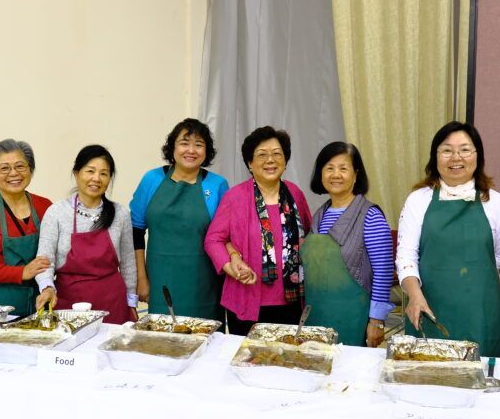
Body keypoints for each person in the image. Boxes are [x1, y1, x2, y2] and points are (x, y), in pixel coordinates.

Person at [396, 122, 500, 357]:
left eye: (465, 149)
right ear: (435, 157)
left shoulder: (495, 202)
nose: (456, 157)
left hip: (480, 312)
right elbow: (405, 256)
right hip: (428, 307)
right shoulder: (418, 200)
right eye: (447, 150)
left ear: (477, 156)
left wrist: (473, 278)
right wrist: (415, 295)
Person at [204, 126, 312, 335]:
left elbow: (307, 234)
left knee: (285, 360)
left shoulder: (295, 193)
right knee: (248, 361)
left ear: (286, 160)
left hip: (292, 301)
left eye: (277, 154)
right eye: (261, 155)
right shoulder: (235, 197)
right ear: (249, 163)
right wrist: (231, 265)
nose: (270, 160)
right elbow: (213, 239)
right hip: (247, 299)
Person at [130, 119, 229, 320]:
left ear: (207, 151)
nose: (191, 150)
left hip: (204, 284)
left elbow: (225, 237)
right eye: (184, 143)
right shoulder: (152, 179)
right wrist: (141, 278)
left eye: (199, 144)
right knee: (162, 339)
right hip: (160, 280)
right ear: (172, 147)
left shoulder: (217, 185)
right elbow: (136, 231)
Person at [302, 142, 393, 347]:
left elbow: (383, 271)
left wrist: (377, 321)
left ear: (356, 174)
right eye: (329, 168)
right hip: (316, 317)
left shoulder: (370, 216)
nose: (336, 174)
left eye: (343, 168)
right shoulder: (319, 215)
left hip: (353, 320)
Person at [34, 145, 137, 323]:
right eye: (90, 171)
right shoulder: (57, 212)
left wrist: (131, 303)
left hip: (112, 302)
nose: (96, 178)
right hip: (69, 303)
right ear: (76, 173)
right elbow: (45, 260)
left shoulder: (120, 213)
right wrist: (47, 288)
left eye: (104, 173)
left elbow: (128, 264)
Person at [0, 139, 53, 317]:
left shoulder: (45, 206)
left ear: (30, 169)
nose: (14, 173)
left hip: (42, 300)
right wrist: (22, 272)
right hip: (0, 306)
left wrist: (49, 287)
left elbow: (57, 253)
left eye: (20, 166)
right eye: (4, 168)